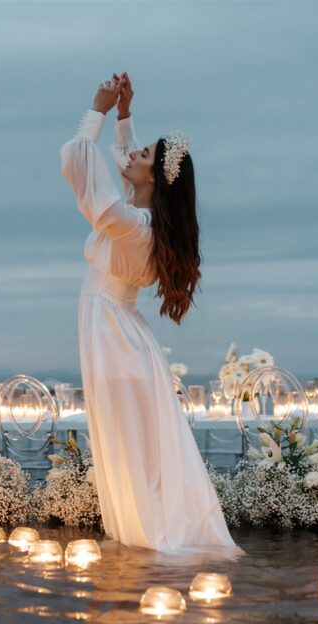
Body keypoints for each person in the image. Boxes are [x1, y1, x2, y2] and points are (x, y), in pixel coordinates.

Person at [60, 72, 242, 557]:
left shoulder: (134, 226)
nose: (131, 155)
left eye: (142, 156)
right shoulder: (142, 219)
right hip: (117, 335)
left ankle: (146, 538)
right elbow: (128, 162)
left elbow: (81, 167)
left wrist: (94, 113)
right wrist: (124, 116)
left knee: (130, 443)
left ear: (154, 178)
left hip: (116, 341)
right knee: (127, 441)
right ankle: (139, 532)